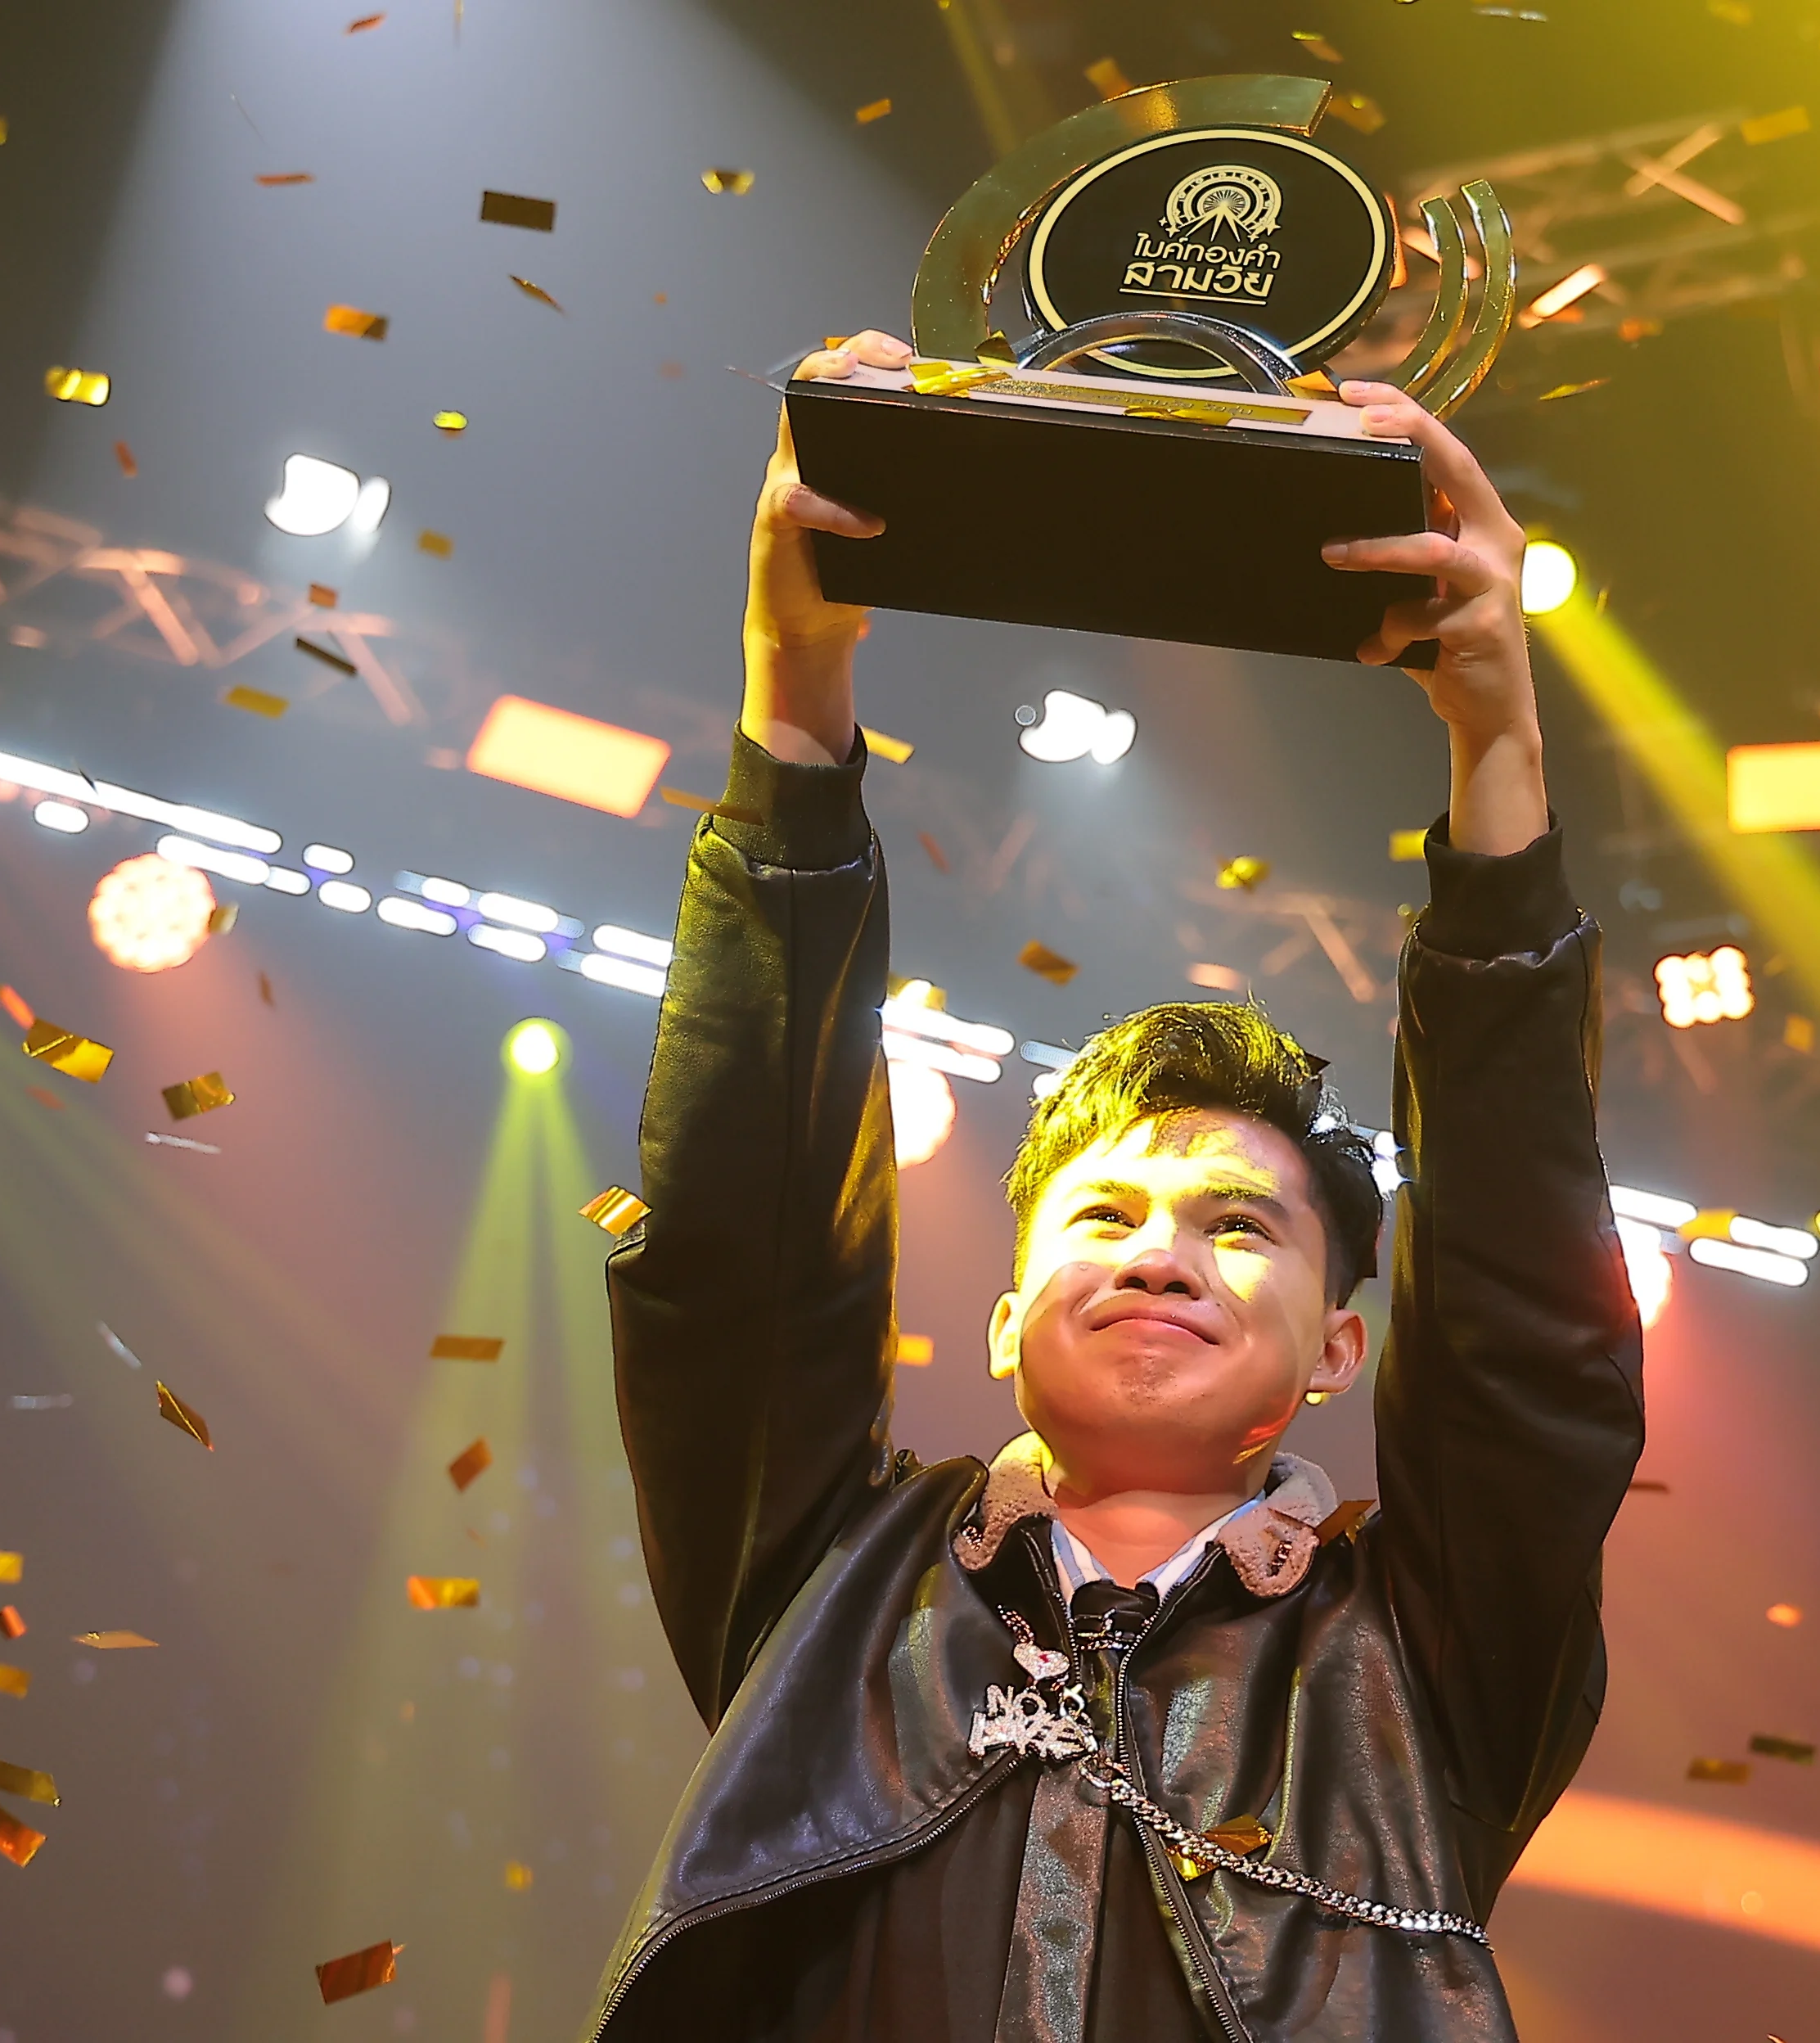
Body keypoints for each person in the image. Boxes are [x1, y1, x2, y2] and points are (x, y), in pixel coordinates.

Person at [581, 330, 1644, 2042]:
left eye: (1240, 1228)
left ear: (1341, 1351)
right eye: (1105, 1214)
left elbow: (1529, 1348)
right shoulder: (831, 1586)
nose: (1161, 1255)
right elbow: (736, 1257)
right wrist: (795, 690)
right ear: (1004, 1320)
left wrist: (1499, 753)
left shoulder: (1428, 1660)